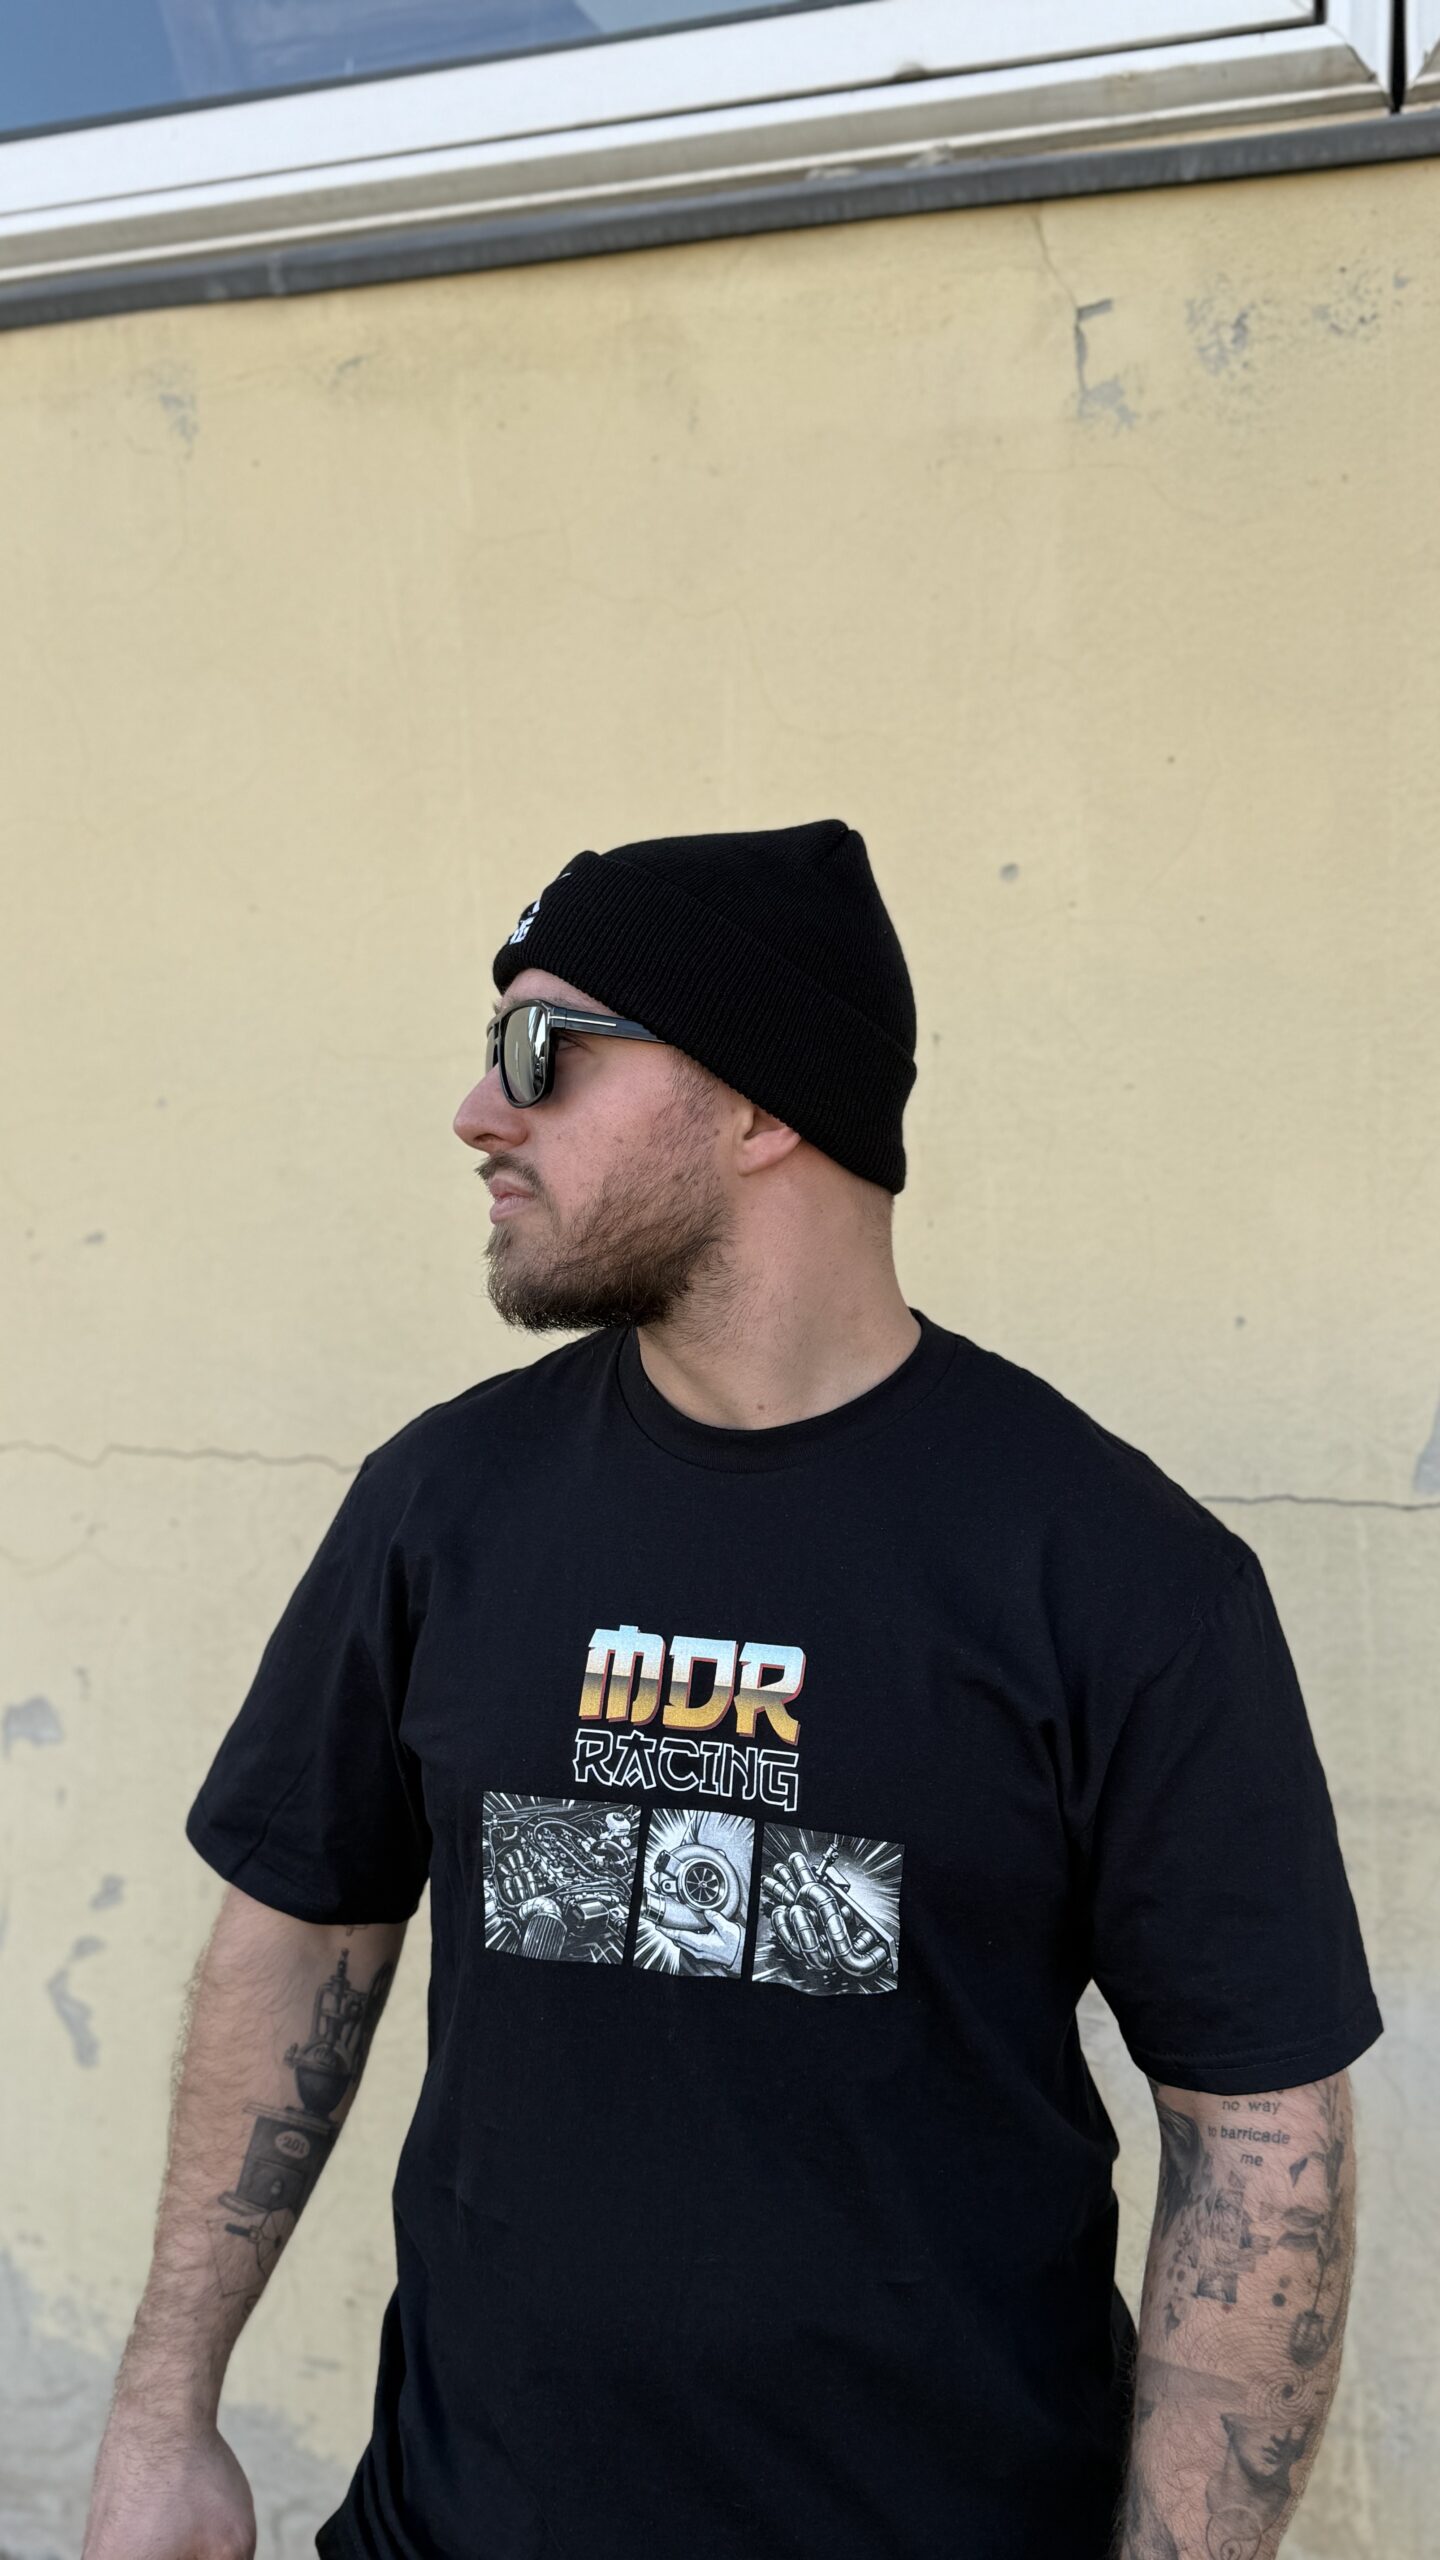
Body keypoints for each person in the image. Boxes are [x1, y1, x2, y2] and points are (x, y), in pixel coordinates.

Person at [82, 818, 1383, 2560]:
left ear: (764, 1105)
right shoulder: (443, 1507)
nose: (479, 1112)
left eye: (542, 1049)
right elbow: (301, 1935)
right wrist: (163, 2416)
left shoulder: (1119, 1573)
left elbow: (1260, 2145)